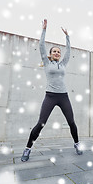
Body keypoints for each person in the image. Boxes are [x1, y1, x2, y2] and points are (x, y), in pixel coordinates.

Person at [21, 19, 82, 162]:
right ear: (50, 53)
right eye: (54, 51)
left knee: (71, 122)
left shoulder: (63, 64)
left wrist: (67, 36)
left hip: (63, 97)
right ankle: (27, 148)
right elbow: (41, 45)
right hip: (50, 96)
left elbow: (69, 51)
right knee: (41, 123)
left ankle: (77, 144)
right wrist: (44, 30)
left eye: (58, 52)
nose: (57, 53)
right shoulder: (47, 63)